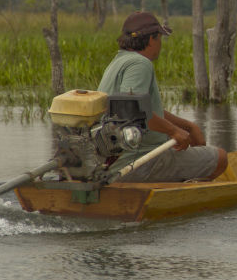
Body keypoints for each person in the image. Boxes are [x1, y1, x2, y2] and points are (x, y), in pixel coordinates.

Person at [97, 11, 228, 182]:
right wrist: (173, 131)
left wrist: (187, 126)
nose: (160, 44)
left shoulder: (118, 61)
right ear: (152, 39)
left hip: (114, 159)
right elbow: (132, 111)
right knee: (220, 158)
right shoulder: (140, 63)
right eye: (159, 38)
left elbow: (147, 109)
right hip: (139, 160)